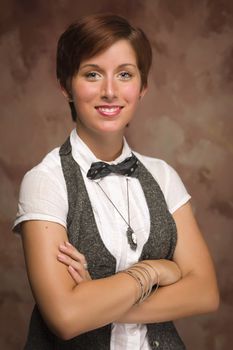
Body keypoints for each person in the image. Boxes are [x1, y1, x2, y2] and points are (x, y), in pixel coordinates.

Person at [13, 13, 219, 350]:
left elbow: (205, 293)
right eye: (92, 74)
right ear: (66, 85)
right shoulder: (44, 181)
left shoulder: (163, 176)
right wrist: (154, 272)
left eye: (125, 74)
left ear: (142, 88)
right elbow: (66, 318)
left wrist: (95, 298)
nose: (110, 91)